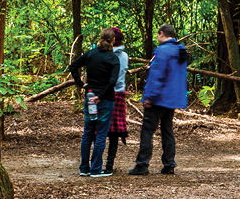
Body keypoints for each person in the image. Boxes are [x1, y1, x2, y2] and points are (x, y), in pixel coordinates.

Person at [130, 24, 189, 175]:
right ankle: (169, 164)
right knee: (167, 130)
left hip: (159, 98)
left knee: (147, 131)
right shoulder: (181, 50)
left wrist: (149, 97)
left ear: (161, 34)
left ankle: (142, 164)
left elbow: (157, 76)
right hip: (172, 99)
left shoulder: (163, 51)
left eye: (157, 35)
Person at [66, 28, 122, 177]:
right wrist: (101, 96)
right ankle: (96, 169)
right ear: (112, 41)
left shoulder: (90, 55)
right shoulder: (113, 59)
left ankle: (84, 167)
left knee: (88, 133)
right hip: (105, 100)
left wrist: (80, 83)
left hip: (90, 97)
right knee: (101, 134)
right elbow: (112, 81)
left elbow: (73, 66)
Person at [106, 28, 131, 173]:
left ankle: (95, 163)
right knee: (114, 134)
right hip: (119, 94)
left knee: (100, 131)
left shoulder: (106, 55)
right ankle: (109, 164)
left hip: (106, 94)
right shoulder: (125, 56)